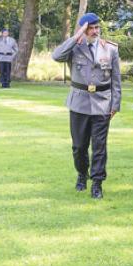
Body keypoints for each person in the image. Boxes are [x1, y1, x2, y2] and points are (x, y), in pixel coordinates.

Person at [52, 13, 121, 199]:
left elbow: (116, 80)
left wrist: (115, 104)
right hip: (79, 103)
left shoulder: (110, 49)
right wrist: (77, 36)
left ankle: (97, 183)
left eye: (97, 27)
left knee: (99, 146)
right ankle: (82, 174)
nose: (95, 31)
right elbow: (56, 56)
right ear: (83, 29)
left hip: (102, 103)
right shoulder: (75, 47)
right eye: (91, 28)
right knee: (79, 146)